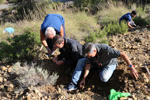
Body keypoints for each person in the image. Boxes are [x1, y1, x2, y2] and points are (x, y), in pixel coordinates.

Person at [66, 42, 139, 91]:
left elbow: (123, 54)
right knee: (81, 61)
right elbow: (88, 65)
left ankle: (98, 69)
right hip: (97, 62)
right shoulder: (89, 52)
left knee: (104, 78)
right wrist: (84, 79)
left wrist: (131, 67)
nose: (88, 57)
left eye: (89, 55)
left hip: (109, 64)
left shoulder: (106, 50)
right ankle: (73, 84)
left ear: (94, 51)